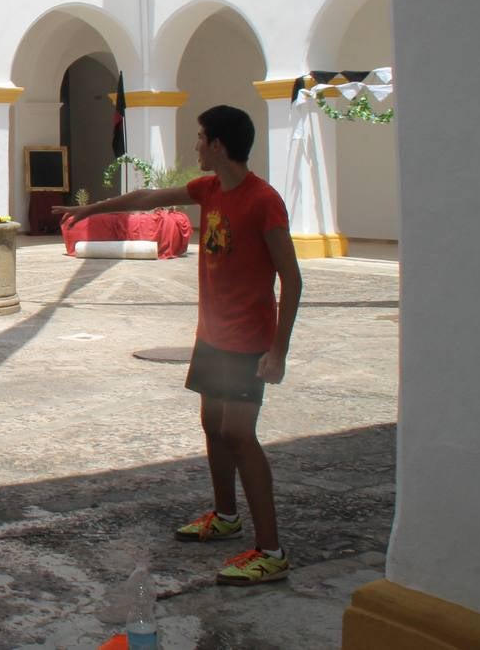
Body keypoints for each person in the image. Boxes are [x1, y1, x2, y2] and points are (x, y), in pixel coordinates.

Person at [53, 105, 302, 586]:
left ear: (220, 146)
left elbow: (290, 279)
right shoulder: (209, 189)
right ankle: (226, 516)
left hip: (248, 339)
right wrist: (90, 210)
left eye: (201, 138)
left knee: (239, 434)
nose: (196, 146)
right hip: (212, 335)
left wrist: (279, 351)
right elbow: (147, 195)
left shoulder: (263, 200)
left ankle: (271, 549)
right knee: (213, 424)